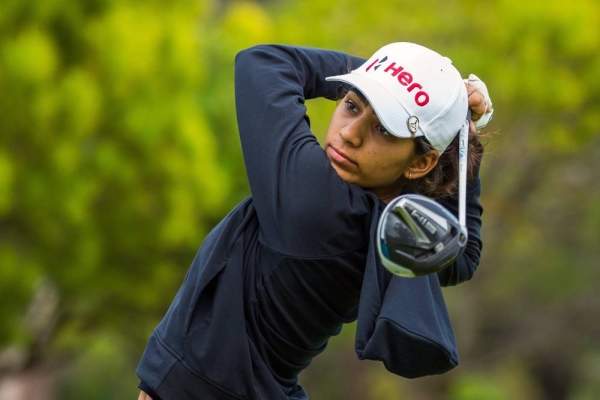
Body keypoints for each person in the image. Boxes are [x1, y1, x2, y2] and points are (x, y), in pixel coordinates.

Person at [136, 42, 493, 400]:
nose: (349, 134)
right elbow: (464, 256)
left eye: (384, 129)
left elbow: (264, 63)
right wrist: (444, 111)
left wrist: (395, 77)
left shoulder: (316, 202)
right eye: (351, 105)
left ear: (420, 163)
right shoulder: (395, 226)